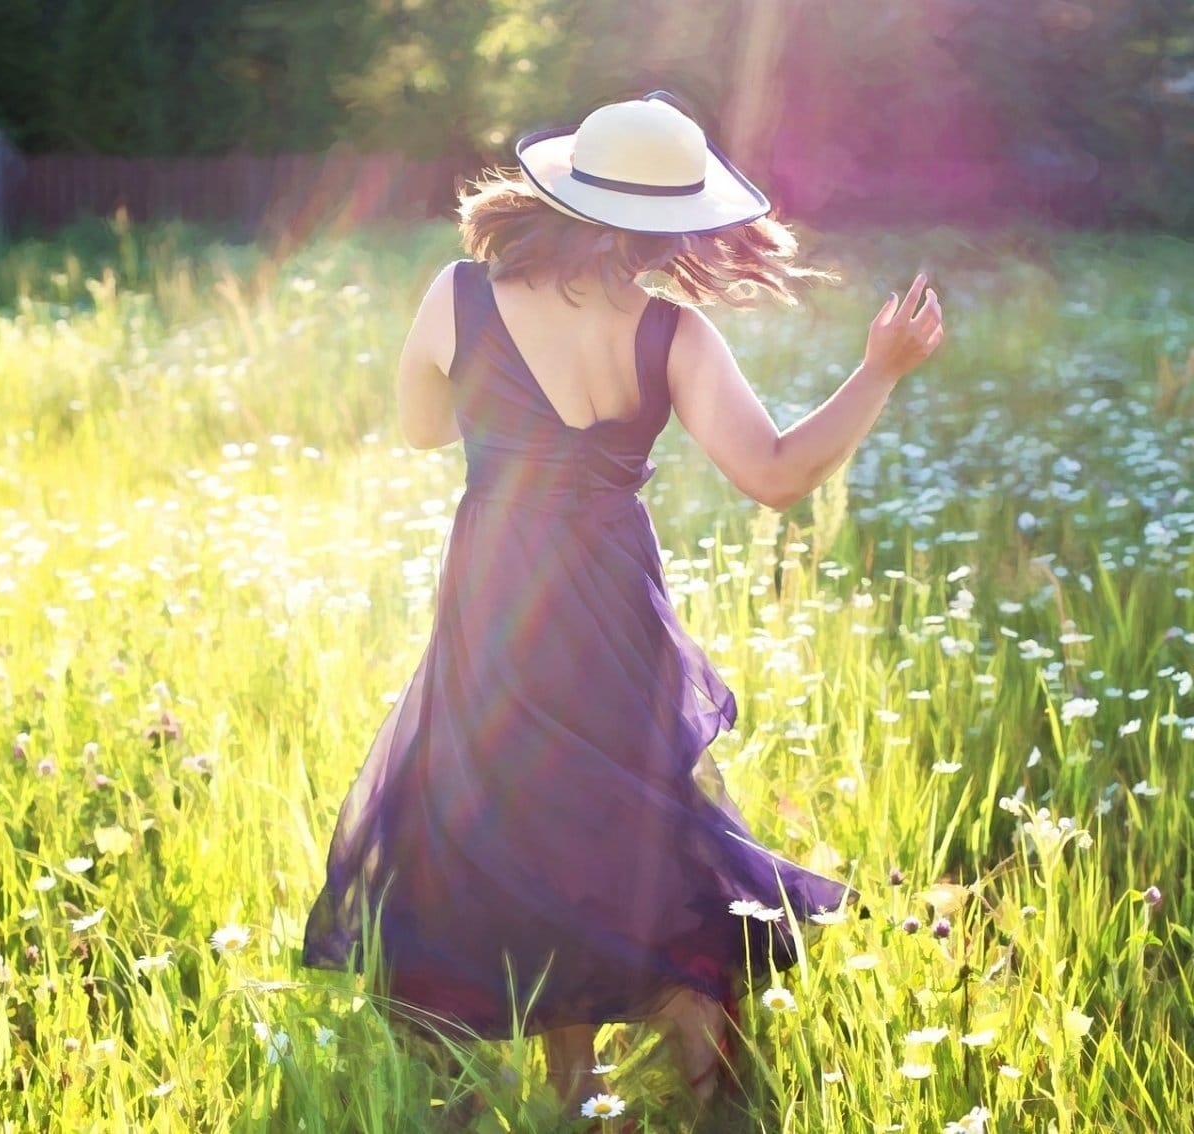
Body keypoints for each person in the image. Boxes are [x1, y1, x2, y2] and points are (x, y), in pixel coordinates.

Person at [301, 91, 944, 1118]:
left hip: (498, 594)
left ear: (567, 193)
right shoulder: (672, 334)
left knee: (522, 820)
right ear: (664, 224)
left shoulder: (459, 294)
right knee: (619, 817)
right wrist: (877, 373)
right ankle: (680, 1053)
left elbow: (422, 432)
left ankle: (574, 1079)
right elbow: (776, 475)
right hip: (613, 597)